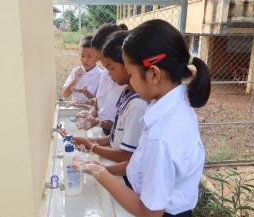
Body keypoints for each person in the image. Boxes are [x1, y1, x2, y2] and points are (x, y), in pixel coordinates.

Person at [73, 19, 211, 217]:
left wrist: (100, 173)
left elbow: (149, 212)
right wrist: (100, 167)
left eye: (131, 74)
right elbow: (141, 163)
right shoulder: (172, 106)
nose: (129, 81)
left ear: (153, 74)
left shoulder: (162, 135)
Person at [60, 31, 147, 188]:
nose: (107, 72)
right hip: (120, 163)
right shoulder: (127, 94)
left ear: (127, 65)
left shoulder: (138, 104)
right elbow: (117, 135)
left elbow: (128, 156)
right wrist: (89, 142)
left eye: (110, 67)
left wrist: (94, 150)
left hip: (132, 180)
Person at [77, 23, 127, 135]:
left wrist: (97, 122)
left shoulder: (128, 83)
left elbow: (124, 128)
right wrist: (89, 116)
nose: (103, 64)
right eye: (99, 59)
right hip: (106, 134)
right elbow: (98, 103)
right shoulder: (105, 74)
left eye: (101, 58)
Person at [62, 35, 101, 103]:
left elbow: (100, 103)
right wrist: (75, 81)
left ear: (97, 58)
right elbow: (65, 95)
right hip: (75, 109)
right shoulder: (76, 71)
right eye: (82, 56)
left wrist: (86, 93)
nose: (85, 60)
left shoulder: (101, 75)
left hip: (91, 111)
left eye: (89, 57)